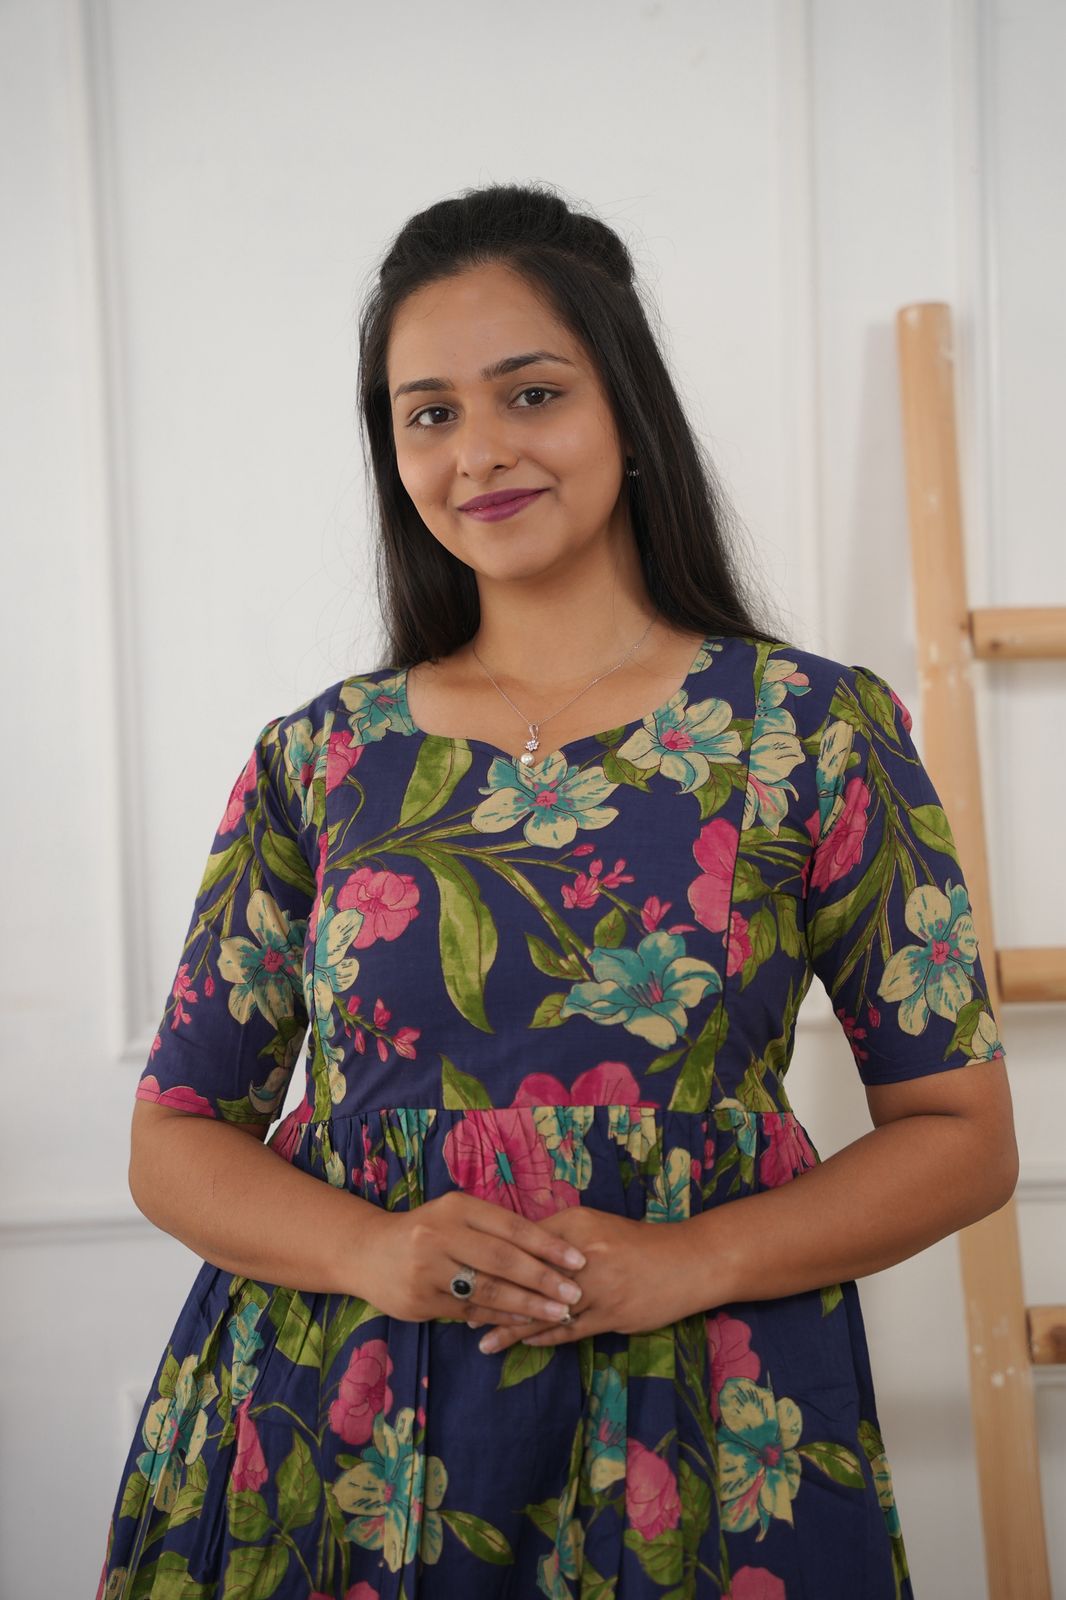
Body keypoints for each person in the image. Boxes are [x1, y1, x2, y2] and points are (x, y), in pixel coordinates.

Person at [95, 181, 1017, 1600]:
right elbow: (175, 1138)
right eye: (428, 414)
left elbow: (960, 1137)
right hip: (336, 1428)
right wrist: (374, 1250)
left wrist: (693, 1260)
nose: (478, 451)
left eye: (530, 393)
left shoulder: (810, 732)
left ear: (627, 411)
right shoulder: (319, 759)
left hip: (699, 1426)